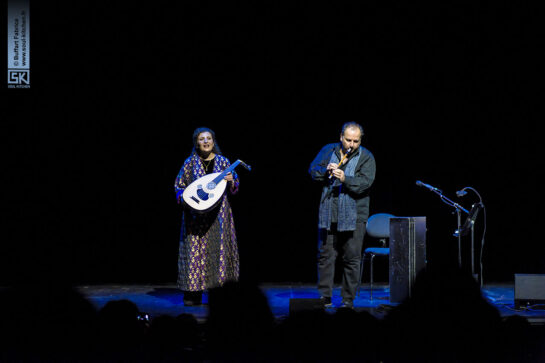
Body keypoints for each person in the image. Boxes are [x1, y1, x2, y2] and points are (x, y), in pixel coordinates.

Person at [309, 122, 376, 309]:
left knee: (352, 258)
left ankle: (348, 300)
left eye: (356, 141)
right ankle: (325, 297)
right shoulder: (328, 150)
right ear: (341, 137)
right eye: (348, 140)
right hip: (329, 211)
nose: (351, 145)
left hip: (355, 214)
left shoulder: (367, 157)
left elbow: (366, 183)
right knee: (325, 256)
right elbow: (313, 170)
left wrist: (345, 178)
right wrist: (326, 171)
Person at [174, 127, 240, 306]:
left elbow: (235, 187)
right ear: (197, 142)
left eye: (208, 138)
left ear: (213, 141)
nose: (205, 142)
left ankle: (219, 293)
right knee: (195, 252)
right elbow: (179, 186)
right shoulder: (190, 163)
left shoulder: (223, 161)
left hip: (220, 215)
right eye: (201, 139)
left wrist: (231, 180)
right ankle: (193, 293)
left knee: (218, 251)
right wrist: (186, 200)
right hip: (195, 218)